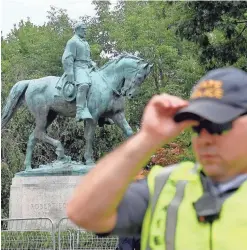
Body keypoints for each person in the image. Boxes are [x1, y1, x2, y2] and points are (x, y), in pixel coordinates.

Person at [66, 67, 247, 250]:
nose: (205, 139)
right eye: (197, 128)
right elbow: (84, 213)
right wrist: (147, 138)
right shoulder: (167, 186)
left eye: (218, 125)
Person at [62, 22, 97, 122]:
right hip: (78, 68)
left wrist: (92, 63)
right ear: (77, 30)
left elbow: (87, 58)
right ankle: (80, 111)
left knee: (101, 84)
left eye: (85, 29)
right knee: (84, 85)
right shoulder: (72, 42)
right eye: (83, 29)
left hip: (87, 67)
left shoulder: (85, 42)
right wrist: (69, 73)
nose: (85, 31)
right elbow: (67, 57)